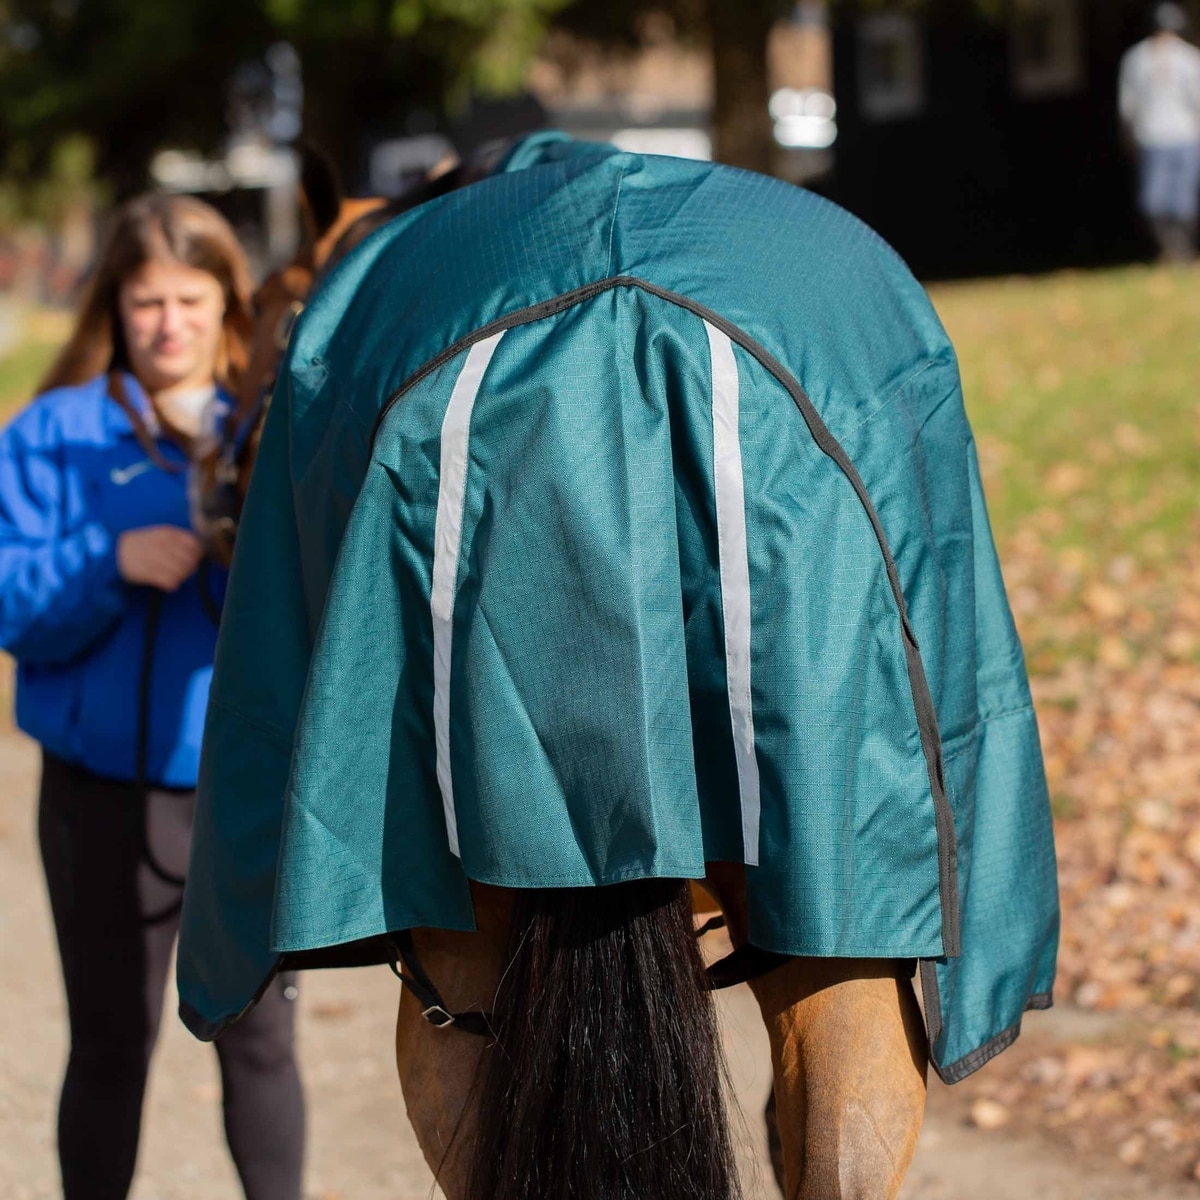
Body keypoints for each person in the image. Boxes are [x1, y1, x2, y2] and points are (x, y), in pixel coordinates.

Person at [0, 194, 306, 1200]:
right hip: (102, 798)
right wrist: (109, 559)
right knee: (111, 1044)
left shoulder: (277, 431)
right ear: (113, 307)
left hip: (244, 795)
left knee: (260, 1043)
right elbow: (10, 606)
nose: (168, 325)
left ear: (229, 306)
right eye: (145, 301)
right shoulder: (53, 433)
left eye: (190, 299)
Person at [1119, 2, 1200, 261]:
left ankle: (1181, 252)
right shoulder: (1138, 59)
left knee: (1179, 199)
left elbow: (1127, 107)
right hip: (1157, 137)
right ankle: (1173, 249)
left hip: (1181, 137)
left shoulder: (1187, 58)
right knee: (1158, 200)